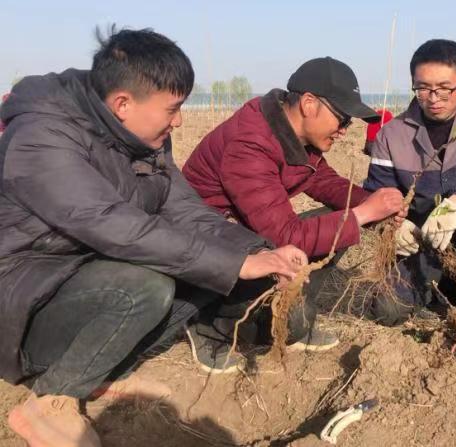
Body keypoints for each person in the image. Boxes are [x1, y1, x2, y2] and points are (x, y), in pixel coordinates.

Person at [0, 28, 310, 446]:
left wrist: (260, 251)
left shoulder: (143, 139)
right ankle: (52, 400)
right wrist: (236, 262)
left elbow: (184, 211)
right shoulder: (42, 138)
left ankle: (99, 371)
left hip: (81, 277)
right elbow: (111, 224)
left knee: (208, 274)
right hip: (22, 301)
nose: (179, 120)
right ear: (123, 104)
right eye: (173, 108)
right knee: (147, 286)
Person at [182, 57, 406, 338]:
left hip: (243, 239)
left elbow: (324, 181)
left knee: (338, 219)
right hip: (207, 255)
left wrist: (373, 204)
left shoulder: (292, 134)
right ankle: (212, 326)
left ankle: (290, 307)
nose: (344, 130)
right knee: (293, 322)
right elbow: (285, 235)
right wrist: (364, 213)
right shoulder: (250, 145)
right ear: (309, 104)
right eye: (342, 118)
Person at [363, 39, 456, 325]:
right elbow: (378, 192)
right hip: (421, 243)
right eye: (423, 88)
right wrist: (390, 223)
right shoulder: (391, 135)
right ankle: (429, 288)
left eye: (444, 88)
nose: (433, 98)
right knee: (386, 311)